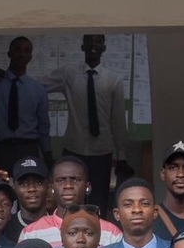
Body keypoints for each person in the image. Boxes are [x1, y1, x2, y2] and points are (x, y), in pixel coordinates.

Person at [46, 34, 129, 193]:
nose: (93, 45)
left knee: (99, 198)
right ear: (82, 46)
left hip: (102, 152)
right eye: (89, 41)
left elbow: (118, 121)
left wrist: (122, 156)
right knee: (70, 196)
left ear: (103, 48)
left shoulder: (113, 80)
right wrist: (7, 79)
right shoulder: (68, 74)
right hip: (73, 148)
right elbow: (36, 87)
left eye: (98, 41)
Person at [20, 156, 123, 248]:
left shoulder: (111, 233)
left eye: (75, 179)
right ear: (52, 187)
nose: (68, 185)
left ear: (87, 187)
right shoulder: (31, 233)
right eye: (61, 180)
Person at [0, 35, 49, 167]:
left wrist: (48, 157)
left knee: (29, 186)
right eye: (17, 50)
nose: (22, 54)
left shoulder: (38, 89)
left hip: (28, 148)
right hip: (1, 148)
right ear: (9, 53)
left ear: (30, 57)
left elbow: (43, 127)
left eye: (26, 51)